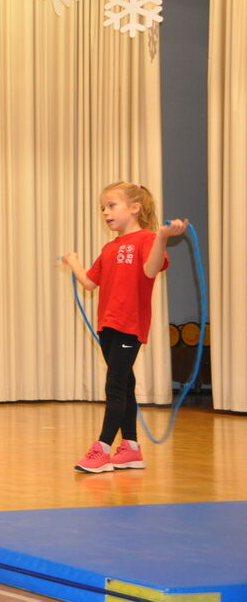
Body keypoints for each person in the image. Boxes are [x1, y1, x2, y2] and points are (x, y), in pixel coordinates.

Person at [61, 182, 185, 473]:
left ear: (135, 208)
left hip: (130, 324)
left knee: (115, 385)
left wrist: (162, 237)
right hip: (107, 325)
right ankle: (131, 448)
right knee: (125, 385)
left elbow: (151, 270)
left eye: (111, 205)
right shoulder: (110, 247)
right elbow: (90, 283)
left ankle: (102, 448)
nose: (105, 212)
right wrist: (74, 262)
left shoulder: (147, 239)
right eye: (103, 207)